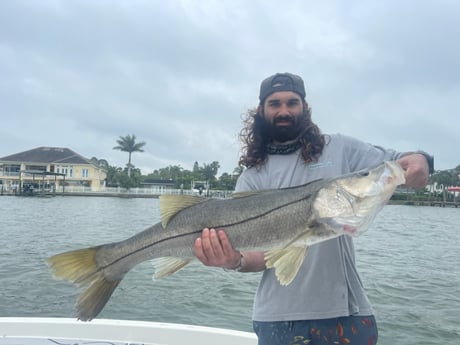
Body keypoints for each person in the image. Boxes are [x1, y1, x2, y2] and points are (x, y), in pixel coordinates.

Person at [194, 72, 433, 345]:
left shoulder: (340, 148)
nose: (284, 110)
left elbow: (396, 164)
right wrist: (233, 261)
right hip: (277, 319)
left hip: (347, 314)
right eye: (275, 104)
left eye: (292, 102)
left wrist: (422, 160)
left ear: (305, 107)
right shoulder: (251, 177)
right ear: (261, 111)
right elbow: (260, 256)